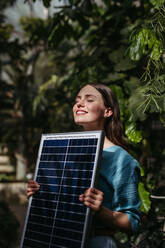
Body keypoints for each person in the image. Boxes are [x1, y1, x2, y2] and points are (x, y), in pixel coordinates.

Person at [27, 83, 141, 248]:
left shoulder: (121, 160)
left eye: (89, 99)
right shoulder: (61, 151)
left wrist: (100, 210)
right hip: (56, 240)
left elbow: (133, 222)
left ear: (107, 111)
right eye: (78, 100)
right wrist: (39, 195)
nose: (79, 104)